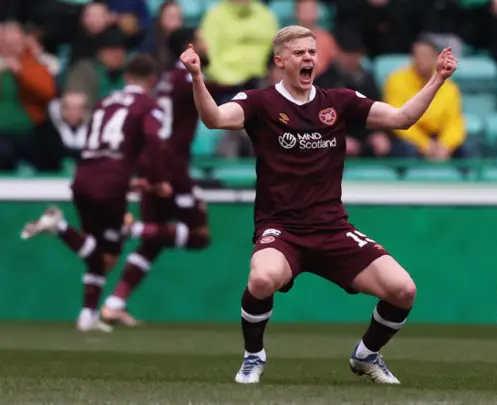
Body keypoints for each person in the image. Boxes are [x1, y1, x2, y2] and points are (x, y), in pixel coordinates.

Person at [180, 25, 457, 384]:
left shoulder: (338, 101)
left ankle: (367, 355)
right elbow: (214, 119)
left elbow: (402, 119)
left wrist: (437, 78)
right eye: (299, 53)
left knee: (403, 290)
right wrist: (197, 76)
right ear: (280, 61)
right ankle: (253, 356)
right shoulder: (259, 102)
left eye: (311, 52)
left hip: (332, 228)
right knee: (262, 278)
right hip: (281, 229)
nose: (307, 58)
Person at [20, 54, 171, 333]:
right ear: (152, 81)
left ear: (126, 78)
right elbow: (154, 140)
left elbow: (101, 149)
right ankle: (60, 226)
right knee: (107, 256)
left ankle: (86, 317)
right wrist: (157, 179)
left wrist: (130, 181)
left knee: (95, 249)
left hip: (84, 177)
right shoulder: (148, 104)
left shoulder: (104, 102)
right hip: (110, 184)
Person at [100, 27, 215, 325]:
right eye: (202, 40)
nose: (206, 45)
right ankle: (133, 229)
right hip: (172, 170)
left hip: (154, 166)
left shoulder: (164, 81)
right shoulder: (187, 80)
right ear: (190, 47)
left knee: (155, 238)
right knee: (199, 236)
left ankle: (114, 303)